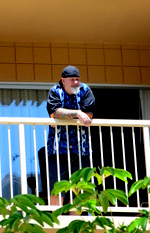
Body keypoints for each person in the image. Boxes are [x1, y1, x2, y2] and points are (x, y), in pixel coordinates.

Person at [46, 65, 95, 205]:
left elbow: (88, 115)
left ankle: (76, 219)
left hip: (81, 149)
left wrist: (64, 116)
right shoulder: (55, 91)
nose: (75, 83)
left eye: (77, 79)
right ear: (63, 80)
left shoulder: (85, 90)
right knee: (56, 186)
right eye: (72, 79)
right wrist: (77, 113)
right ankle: (56, 220)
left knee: (80, 187)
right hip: (57, 148)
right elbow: (54, 113)